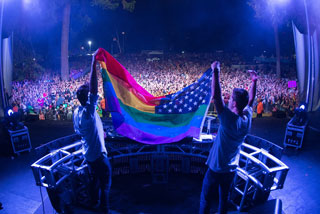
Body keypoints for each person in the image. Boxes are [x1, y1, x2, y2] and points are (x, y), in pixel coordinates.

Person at [199, 62, 258, 214]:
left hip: (217, 168)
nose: (229, 99)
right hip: (231, 168)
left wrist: (216, 71)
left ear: (235, 103)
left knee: (206, 199)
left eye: (231, 98)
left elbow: (216, 96)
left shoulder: (228, 119)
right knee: (224, 199)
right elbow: (251, 100)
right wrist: (254, 81)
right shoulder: (247, 117)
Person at [73, 50, 112, 213]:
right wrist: (93, 63)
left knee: (95, 180)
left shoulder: (77, 112)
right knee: (105, 183)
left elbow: (79, 132)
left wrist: (97, 134)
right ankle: (104, 208)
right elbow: (94, 91)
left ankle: (93, 202)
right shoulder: (88, 112)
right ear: (87, 98)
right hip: (98, 156)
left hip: (88, 154)